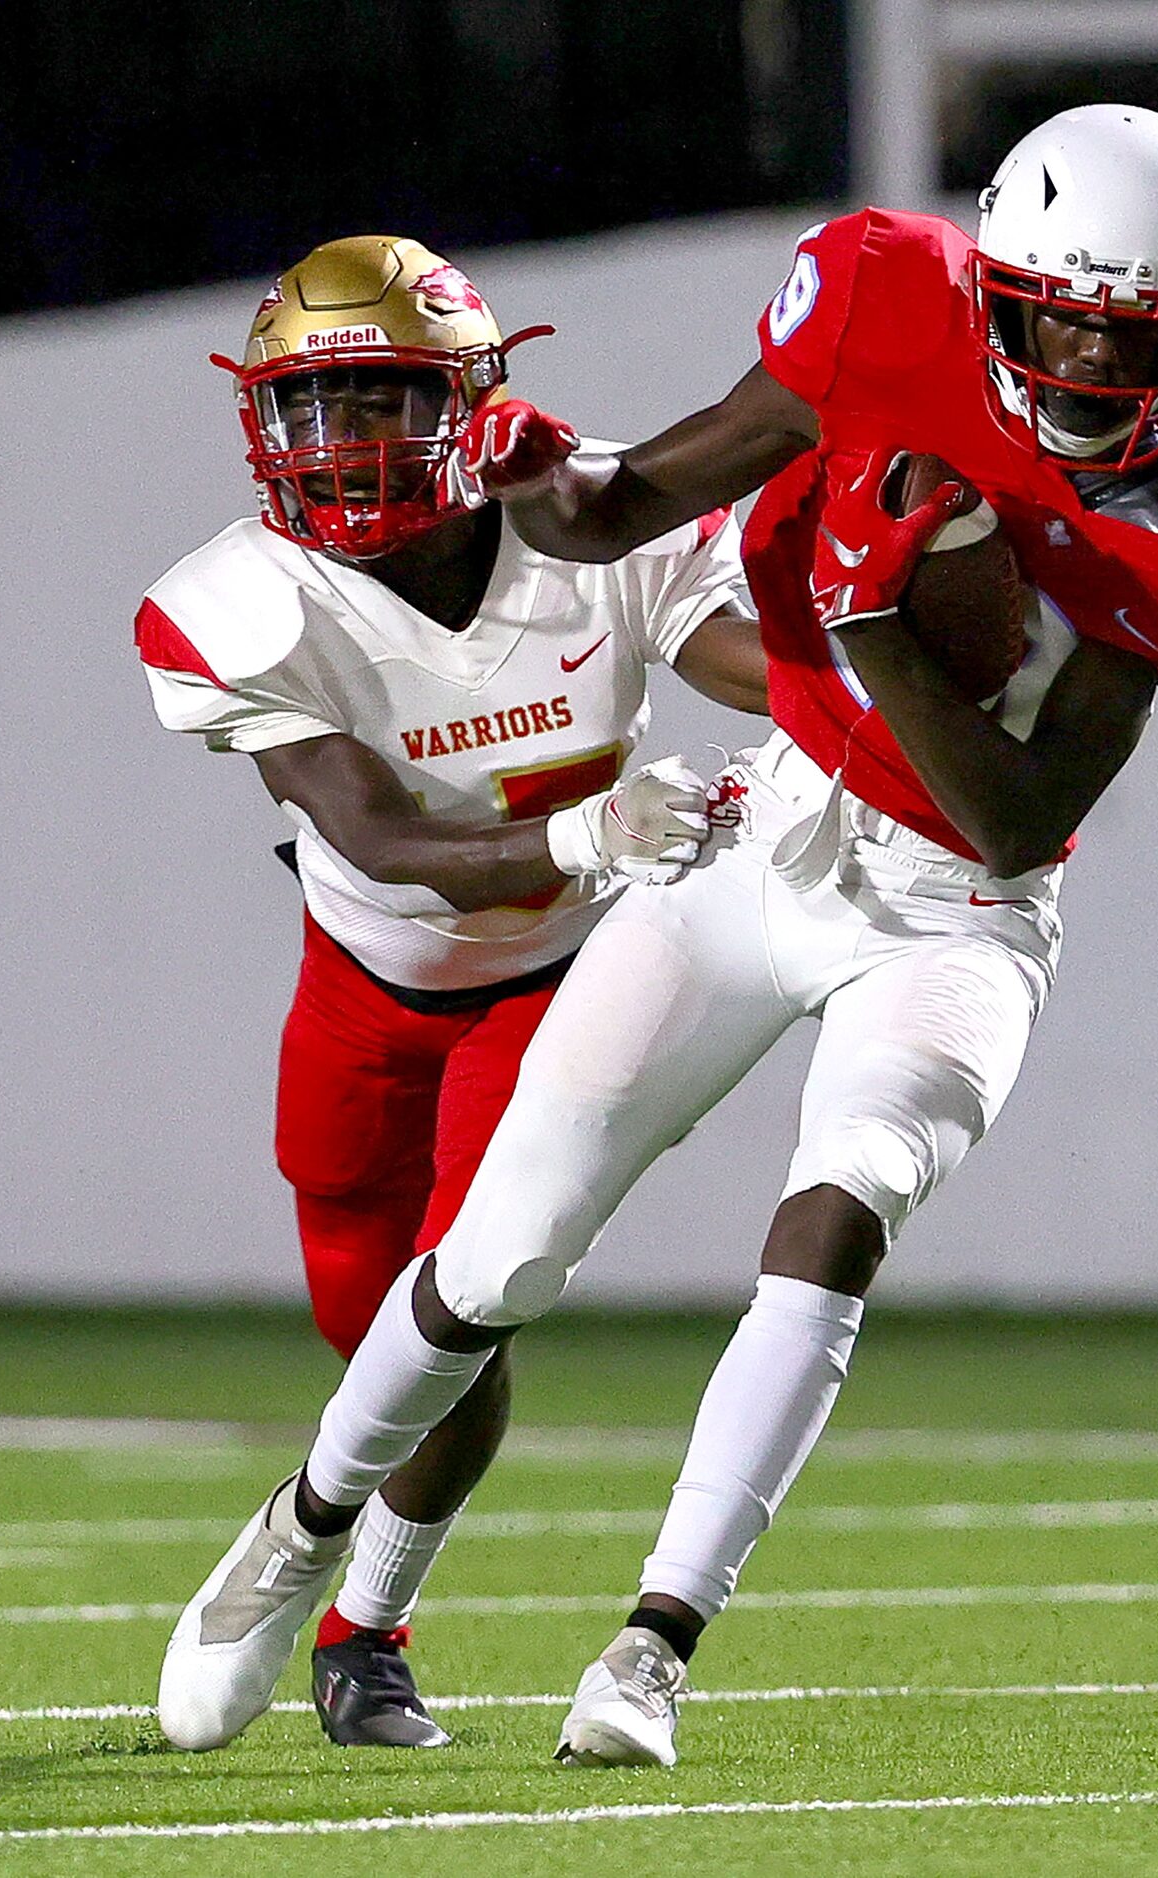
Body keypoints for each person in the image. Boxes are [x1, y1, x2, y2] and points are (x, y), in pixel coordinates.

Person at [157, 106, 1158, 1766]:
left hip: (957, 906)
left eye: (1137, 334)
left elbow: (1009, 811)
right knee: (495, 1258)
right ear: (995, 284)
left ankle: (649, 1647)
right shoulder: (881, 301)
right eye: (1062, 312)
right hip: (768, 830)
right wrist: (546, 478)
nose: (1092, 360)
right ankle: (302, 1528)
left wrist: (867, 622)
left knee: (836, 1215)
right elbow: (618, 513)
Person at [138, 235, 766, 1751]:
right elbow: (380, 836)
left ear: (474, 398)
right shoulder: (240, 599)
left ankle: (360, 1622)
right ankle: (336, 1576)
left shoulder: (596, 506)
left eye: (383, 397)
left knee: (470, 1295)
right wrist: (578, 828)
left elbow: (751, 656)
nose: (345, 440)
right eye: (316, 404)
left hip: (554, 983)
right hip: (363, 984)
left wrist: (850, 680)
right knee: (368, 1318)